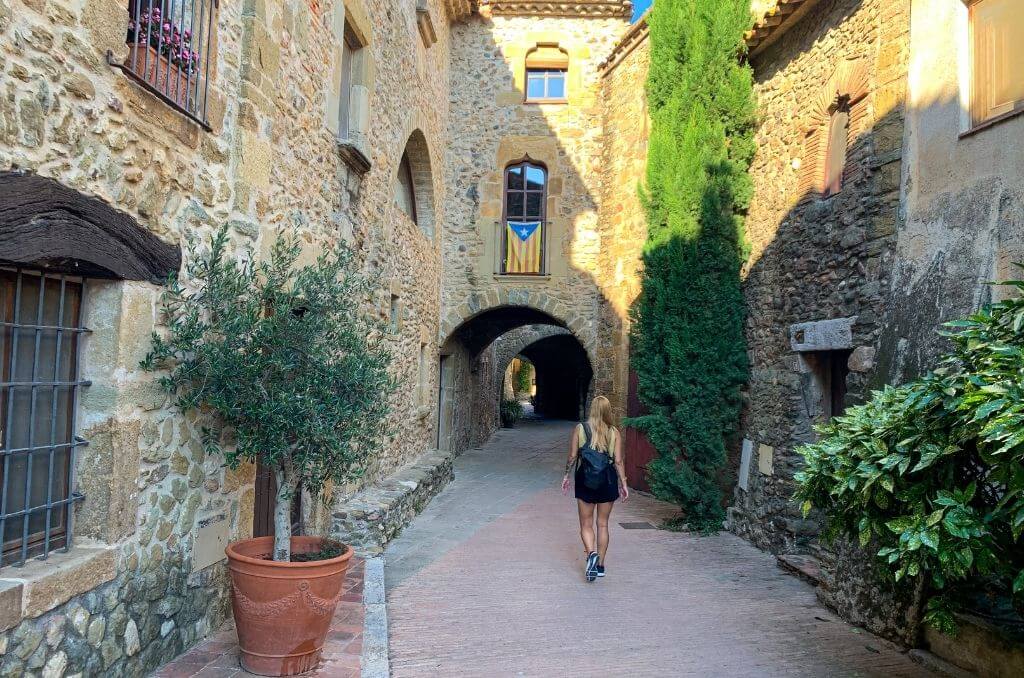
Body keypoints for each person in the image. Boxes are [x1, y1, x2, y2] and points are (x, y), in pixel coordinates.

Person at [561, 395, 629, 582]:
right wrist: (624, 484)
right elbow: (618, 461)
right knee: (603, 524)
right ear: (608, 411)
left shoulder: (580, 429)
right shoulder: (614, 432)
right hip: (607, 480)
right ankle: (600, 566)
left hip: (586, 480)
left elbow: (572, 457)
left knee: (586, 524)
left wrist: (566, 476)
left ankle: (591, 553)